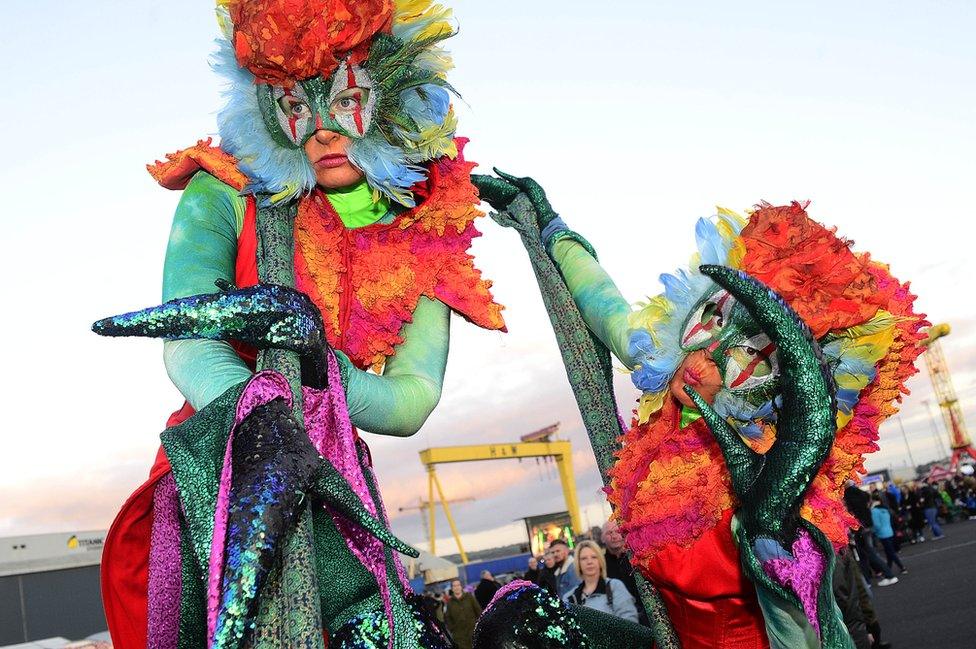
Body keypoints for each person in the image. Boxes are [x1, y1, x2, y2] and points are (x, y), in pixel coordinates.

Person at [94, 1, 505, 647]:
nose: (321, 131)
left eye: (345, 101)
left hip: (337, 478)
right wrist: (258, 408)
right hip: (226, 469)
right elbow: (189, 342)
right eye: (295, 106)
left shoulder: (428, 228)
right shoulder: (226, 187)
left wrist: (327, 371)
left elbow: (412, 398)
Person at [564, 540, 639, 623]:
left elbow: (630, 622)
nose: (589, 562)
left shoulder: (614, 586)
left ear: (600, 560)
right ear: (578, 563)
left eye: (594, 557)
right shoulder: (569, 598)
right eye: (584, 558)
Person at [845, 481, 898, 586]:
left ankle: (889, 575)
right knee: (864, 554)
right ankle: (868, 580)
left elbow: (850, 512)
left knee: (869, 553)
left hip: (860, 529)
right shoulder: (861, 494)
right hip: (866, 526)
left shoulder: (849, 496)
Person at [601, 520, 648, 626]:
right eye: (609, 533)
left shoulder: (637, 556)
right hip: (620, 618)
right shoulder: (601, 564)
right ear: (602, 538)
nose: (614, 536)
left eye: (617, 531)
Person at [871, 496, 906, 575]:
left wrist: (875, 532)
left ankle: (902, 567)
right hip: (890, 531)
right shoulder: (886, 509)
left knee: (891, 552)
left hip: (882, 534)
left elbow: (877, 525)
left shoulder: (874, 511)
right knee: (888, 552)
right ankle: (888, 568)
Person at [445, 579, 481, 649]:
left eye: (458, 585)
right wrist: (452, 629)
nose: (457, 587)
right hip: (459, 636)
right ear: (452, 588)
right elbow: (447, 617)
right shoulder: (450, 602)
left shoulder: (469, 597)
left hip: (473, 631)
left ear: (461, 586)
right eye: (454, 586)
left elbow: (478, 610)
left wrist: (478, 625)